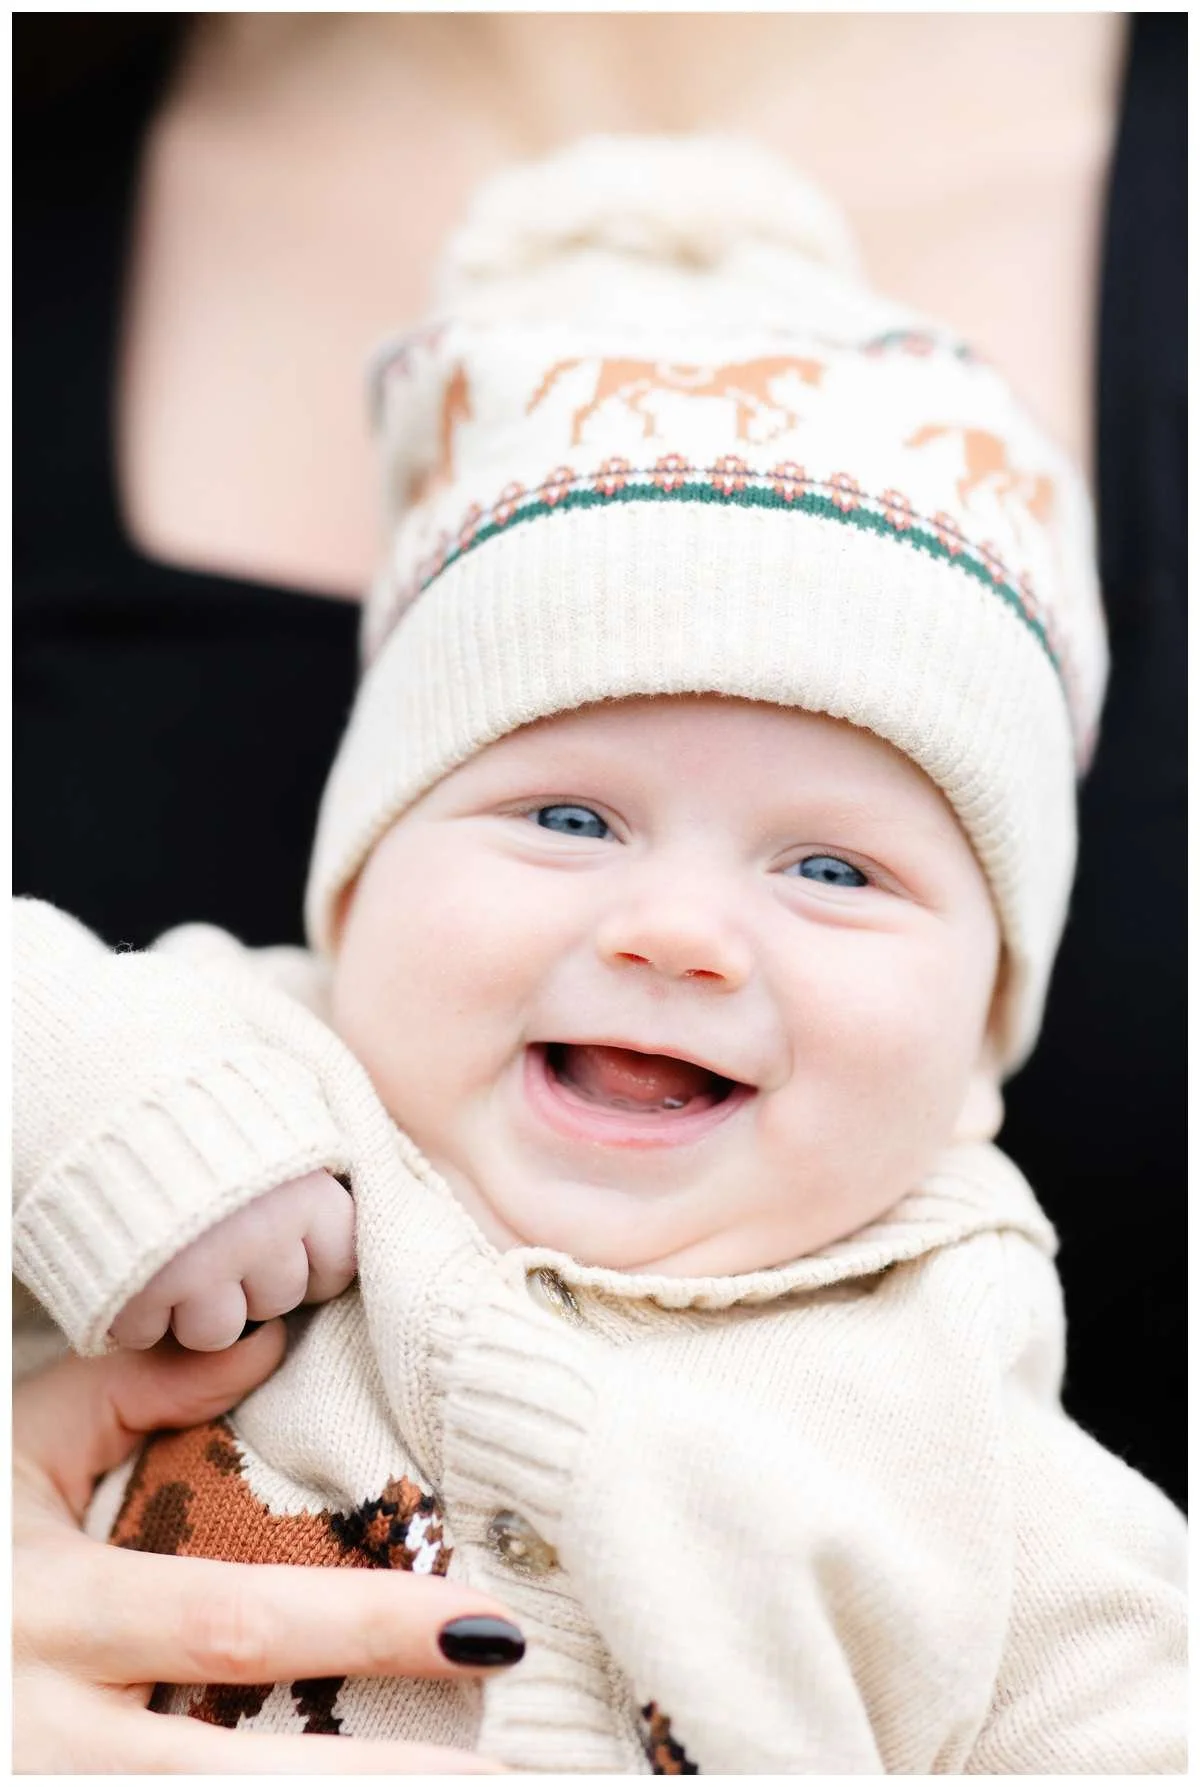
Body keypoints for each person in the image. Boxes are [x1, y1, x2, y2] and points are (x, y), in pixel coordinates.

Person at [13, 14, 1185, 1773]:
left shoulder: (968, 1414)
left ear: (978, 1046)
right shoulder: (265, 1072)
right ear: (358, 875)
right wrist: (146, 1159)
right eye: (566, 815)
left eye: (831, 868)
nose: (676, 929)